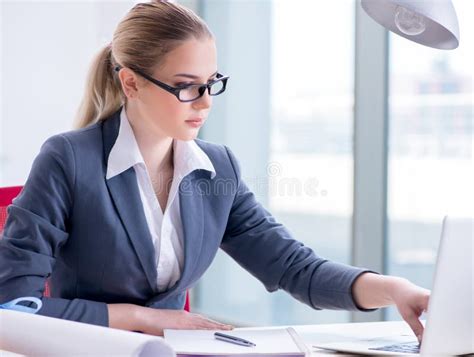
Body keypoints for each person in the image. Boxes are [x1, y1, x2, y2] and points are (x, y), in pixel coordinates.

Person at [0, 0, 429, 341]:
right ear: (130, 83)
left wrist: (392, 289)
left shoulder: (215, 167)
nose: (205, 102)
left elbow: (294, 268)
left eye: (211, 83)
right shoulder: (68, 159)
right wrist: (139, 318)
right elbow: (13, 304)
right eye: (186, 86)